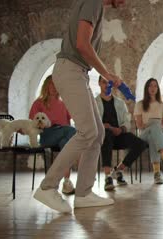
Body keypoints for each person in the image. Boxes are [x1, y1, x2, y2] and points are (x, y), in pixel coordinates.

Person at [34, 0, 126, 213]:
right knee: (87, 132)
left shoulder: (96, 7)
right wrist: (108, 75)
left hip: (78, 73)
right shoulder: (93, 2)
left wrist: (104, 74)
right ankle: (48, 187)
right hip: (70, 71)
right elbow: (82, 44)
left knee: (97, 133)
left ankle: (84, 193)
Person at [96, 76, 147, 191]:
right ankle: (107, 177)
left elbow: (126, 121)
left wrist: (122, 129)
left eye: (109, 83)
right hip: (103, 136)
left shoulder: (120, 103)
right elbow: (91, 121)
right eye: (104, 82)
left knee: (141, 144)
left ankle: (118, 170)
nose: (106, 85)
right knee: (107, 135)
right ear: (99, 83)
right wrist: (103, 126)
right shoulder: (94, 103)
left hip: (118, 135)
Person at [29, 75, 76, 195]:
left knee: (66, 145)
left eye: (56, 84)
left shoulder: (64, 103)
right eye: (51, 84)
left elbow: (71, 120)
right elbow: (32, 123)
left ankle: (66, 182)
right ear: (46, 86)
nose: (54, 87)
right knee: (72, 131)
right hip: (47, 135)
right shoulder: (38, 103)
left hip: (63, 134)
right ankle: (61, 177)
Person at [134, 78, 163, 184]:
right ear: (146, 88)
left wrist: (157, 128)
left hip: (159, 134)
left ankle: (157, 174)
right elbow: (139, 125)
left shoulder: (162, 105)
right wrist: (150, 125)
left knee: (154, 134)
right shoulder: (140, 104)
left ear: (158, 89)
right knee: (153, 128)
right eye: (150, 86)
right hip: (144, 134)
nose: (153, 88)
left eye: (155, 86)